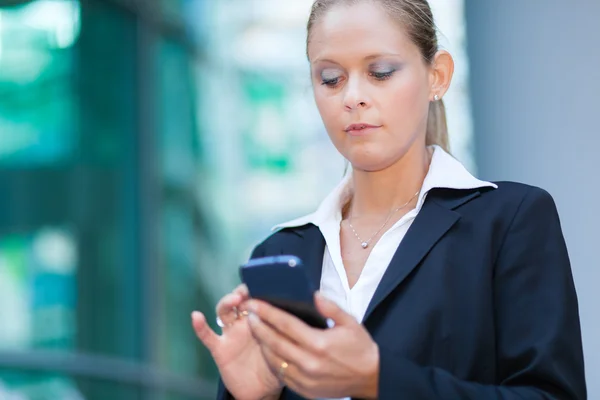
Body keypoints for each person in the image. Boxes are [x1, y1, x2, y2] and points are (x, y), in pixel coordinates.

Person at [191, 0, 587, 399]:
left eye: (380, 72)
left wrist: (378, 379)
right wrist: (253, 396)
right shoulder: (279, 251)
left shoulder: (509, 222)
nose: (353, 96)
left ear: (438, 76)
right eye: (330, 78)